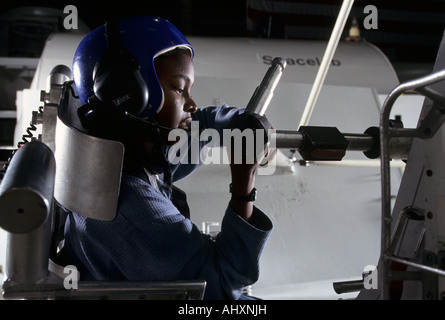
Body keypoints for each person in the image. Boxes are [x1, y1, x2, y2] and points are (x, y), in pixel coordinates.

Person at [61, 16, 273, 300]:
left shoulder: (119, 150)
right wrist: (244, 181)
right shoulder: (124, 205)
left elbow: (203, 125)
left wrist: (243, 123)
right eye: (179, 88)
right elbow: (223, 288)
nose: (192, 104)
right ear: (129, 94)